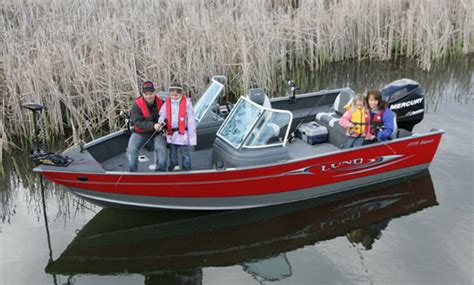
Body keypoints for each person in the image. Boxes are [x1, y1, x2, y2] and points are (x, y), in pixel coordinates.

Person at [126, 81, 167, 172]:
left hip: (157, 133)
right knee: (131, 150)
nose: (149, 96)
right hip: (140, 133)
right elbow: (137, 122)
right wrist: (153, 126)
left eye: (151, 93)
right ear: (142, 94)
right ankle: (133, 173)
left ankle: (161, 172)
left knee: (161, 149)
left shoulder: (162, 103)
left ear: (154, 92)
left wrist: (164, 125)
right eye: (146, 94)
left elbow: (167, 118)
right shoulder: (136, 105)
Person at [158, 83, 197, 171]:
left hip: (183, 133)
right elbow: (162, 115)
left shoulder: (187, 103)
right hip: (171, 134)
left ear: (181, 94)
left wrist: (192, 137)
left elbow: (191, 120)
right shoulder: (167, 104)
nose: (174, 97)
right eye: (172, 95)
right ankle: (173, 167)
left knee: (185, 153)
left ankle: (187, 168)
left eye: (176, 95)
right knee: (172, 152)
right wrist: (161, 122)